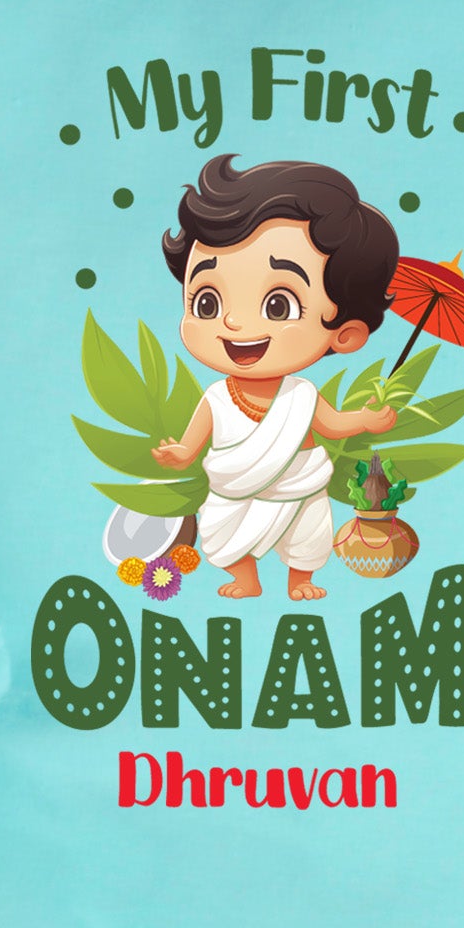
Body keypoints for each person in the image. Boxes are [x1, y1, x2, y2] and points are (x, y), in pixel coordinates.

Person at [154, 154, 402, 599]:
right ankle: (245, 578)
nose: (233, 324)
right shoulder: (217, 397)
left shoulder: (301, 394)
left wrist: (364, 420)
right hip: (234, 491)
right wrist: (181, 453)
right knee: (221, 530)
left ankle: (300, 579)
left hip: (296, 488)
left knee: (307, 532)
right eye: (207, 302)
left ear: (345, 333)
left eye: (278, 305)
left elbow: (331, 425)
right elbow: (195, 440)